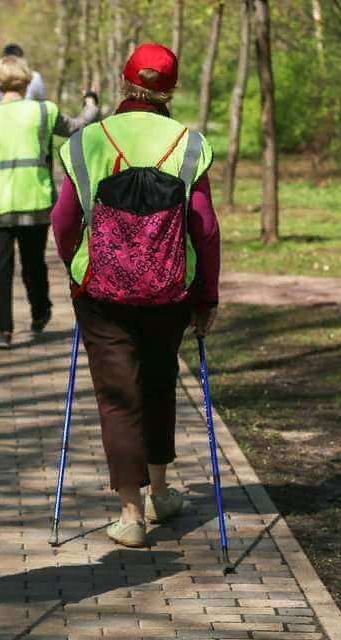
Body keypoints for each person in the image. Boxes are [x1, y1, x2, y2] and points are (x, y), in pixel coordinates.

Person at [51, 43, 220, 547]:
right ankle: (161, 492)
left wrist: (74, 265)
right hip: (172, 289)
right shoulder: (190, 144)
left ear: (124, 82)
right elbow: (205, 228)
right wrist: (205, 296)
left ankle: (130, 515)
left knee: (118, 396)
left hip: (100, 290)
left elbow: (63, 221)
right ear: (170, 90)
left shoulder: (87, 141)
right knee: (159, 381)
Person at [0, 55, 99, 349]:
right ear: (27, 80)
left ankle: (3, 330)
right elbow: (77, 126)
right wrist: (92, 105)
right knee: (34, 264)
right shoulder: (44, 112)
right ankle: (40, 313)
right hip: (35, 202)